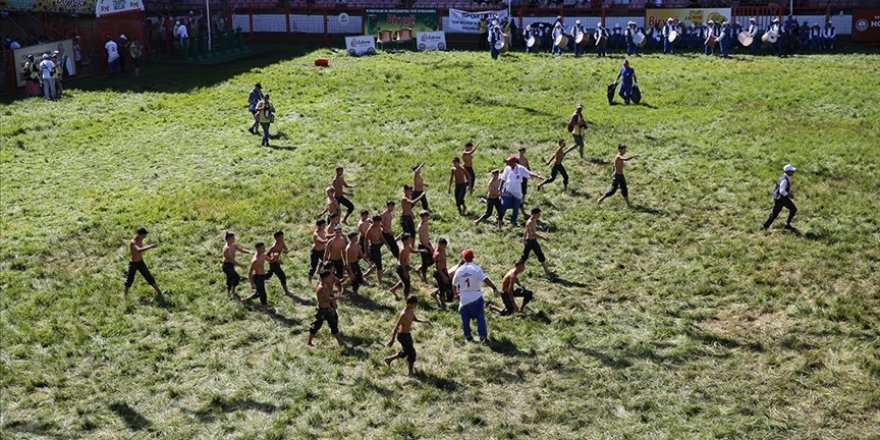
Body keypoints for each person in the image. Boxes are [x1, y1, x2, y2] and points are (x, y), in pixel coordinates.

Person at [452, 249, 499, 344]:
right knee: (480, 318)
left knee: (465, 319)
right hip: (476, 297)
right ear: (472, 257)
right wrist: (494, 287)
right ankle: (483, 337)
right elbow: (485, 279)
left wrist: (456, 293)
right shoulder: (476, 268)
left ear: (463, 258)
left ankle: (468, 336)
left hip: (464, 298)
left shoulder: (459, 270)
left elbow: (454, 284)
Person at [384, 295, 426, 376]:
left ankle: (389, 360)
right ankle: (410, 372)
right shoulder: (403, 314)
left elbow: (414, 319)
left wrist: (422, 321)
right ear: (409, 304)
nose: (415, 306)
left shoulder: (411, 311)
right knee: (412, 353)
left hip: (407, 335)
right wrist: (392, 340)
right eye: (414, 304)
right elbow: (396, 327)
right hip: (402, 336)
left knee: (406, 352)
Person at [499, 155, 541, 227]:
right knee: (504, 205)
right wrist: (500, 189)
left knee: (516, 206)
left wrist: (537, 176)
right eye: (508, 162)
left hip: (517, 192)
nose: (509, 164)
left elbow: (529, 173)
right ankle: (499, 218)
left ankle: (513, 221)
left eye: (510, 162)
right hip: (507, 190)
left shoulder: (520, 168)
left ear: (514, 162)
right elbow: (503, 179)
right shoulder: (507, 169)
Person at [306, 271, 345, 346]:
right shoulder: (322, 288)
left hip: (327, 309)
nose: (331, 278)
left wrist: (330, 307)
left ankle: (340, 342)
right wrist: (338, 297)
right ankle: (309, 342)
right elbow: (327, 299)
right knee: (316, 326)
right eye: (330, 277)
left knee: (333, 324)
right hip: (321, 310)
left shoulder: (326, 285)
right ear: (325, 278)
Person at [123, 227, 163, 296]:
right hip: (133, 264)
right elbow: (138, 250)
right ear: (139, 234)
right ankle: (125, 296)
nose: (145, 236)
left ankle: (159, 292)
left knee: (148, 276)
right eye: (144, 235)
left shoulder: (140, 238)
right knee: (129, 280)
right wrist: (150, 246)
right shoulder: (133, 242)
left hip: (140, 262)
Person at [762, 164, 798, 230]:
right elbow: (782, 191)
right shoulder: (784, 180)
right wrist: (788, 194)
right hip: (782, 198)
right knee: (793, 209)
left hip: (778, 198)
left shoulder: (784, 177)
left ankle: (765, 227)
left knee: (774, 214)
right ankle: (787, 224)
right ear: (787, 171)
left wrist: (789, 191)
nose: (793, 172)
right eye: (791, 171)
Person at [520, 208, 552, 276]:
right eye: (538, 214)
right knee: (524, 257)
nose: (539, 216)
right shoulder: (530, 222)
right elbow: (532, 234)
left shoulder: (534, 220)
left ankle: (547, 271)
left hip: (533, 241)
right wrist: (543, 238)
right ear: (534, 214)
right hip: (529, 242)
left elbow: (526, 230)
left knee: (540, 255)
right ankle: (516, 270)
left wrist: (523, 237)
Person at [242, 242, 272, 314]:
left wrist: (276, 257)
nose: (264, 249)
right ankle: (265, 310)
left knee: (258, 293)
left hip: (262, 276)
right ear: (258, 249)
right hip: (257, 278)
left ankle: (246, 300)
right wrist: (252, 284)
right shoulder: (255, 260)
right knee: (263, 294)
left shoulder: (263, 255)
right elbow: (250, 272)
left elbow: (270, 260)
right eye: (263, 248)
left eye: (264, 247)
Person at [391, 233, 423, 298]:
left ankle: (393, 289)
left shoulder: (407, 246)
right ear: (405, 241)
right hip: (401, 268)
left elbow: (412, 251)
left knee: (404, 280)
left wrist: (420, 251)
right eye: (409, 239)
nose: (411, 240)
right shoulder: (403, 250)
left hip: (405, 266)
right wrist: (405, 272)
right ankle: (406, 298)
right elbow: (401, 262)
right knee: (407, 284)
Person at [222, 232, 250, 299]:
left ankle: (230, 293)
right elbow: (232, 260)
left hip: (231, 265)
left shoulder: (233, 245)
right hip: (226, 266)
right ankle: (232, 292)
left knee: (230, 278)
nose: (234, 239)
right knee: (236, 277)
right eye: (233, 238)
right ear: (228, 239)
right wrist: (242, 266)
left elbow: (241, 250)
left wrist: (249, 252)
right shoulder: (227, 248)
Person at [265, 230, 293, 296]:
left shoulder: (281, 242)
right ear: (276, 238)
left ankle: (257, 278)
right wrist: (278, 261)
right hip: (274, 263)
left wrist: (286, 250)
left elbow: (285, 248)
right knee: (282, 277)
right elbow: (268, 256)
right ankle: (286, 292)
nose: (282, 237)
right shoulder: (274, 247)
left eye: (282, 235)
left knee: (269, 275)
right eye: (281, 236)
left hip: (276, 262)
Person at [430, 238, 452, 308]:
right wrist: (443, 276)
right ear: (440, 244)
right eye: (444, 246)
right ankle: (443, 305)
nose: (445, 247)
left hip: (444, 270)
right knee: (442, 289)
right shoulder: (437, 254)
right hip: (440, 273)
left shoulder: (442, 249)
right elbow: (437, 267)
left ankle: (434, 293)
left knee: (447, 285)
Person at [366, 215, 386, 284]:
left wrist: (387, 245)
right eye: (377, 222)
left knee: (377, 264)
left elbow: (382, 237)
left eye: (379, 222)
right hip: (373, 248)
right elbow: (366, 241)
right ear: (374, 222)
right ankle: (380, 282)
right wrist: (366, 252)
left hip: (378, 247)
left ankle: (366, 275)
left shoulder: (378, 228)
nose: (378, 223)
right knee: (379, 265)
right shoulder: (370, 230)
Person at [308, 219, 329, 283]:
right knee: (313, 268)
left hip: (323, 250)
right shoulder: (316, 234)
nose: (324, 226)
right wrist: (329, 240)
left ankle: (319, 272)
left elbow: (327, 235)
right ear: (319, 226)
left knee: (325, 263)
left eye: (325, 225)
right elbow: (321, 241)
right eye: (323, 225)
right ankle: (309, 280)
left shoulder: (325, 230)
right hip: (315, 252)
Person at [345, 231, 365, 296]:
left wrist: (368, 262)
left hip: (356, 264)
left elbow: (362, 255)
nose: (357, 238)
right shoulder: (348, 248)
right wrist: (350, 272)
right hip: (350, 265)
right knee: (355, 281)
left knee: (360, 279)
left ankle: (345, 285)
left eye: (357, 237)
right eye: (355, 237)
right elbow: (347, 261)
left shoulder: (357, 245)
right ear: (351, 238)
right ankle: (354, 294)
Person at [416, 211, 434, 283]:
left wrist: (430, 244)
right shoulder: (420, 227)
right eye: (426, 216)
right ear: (422, 217)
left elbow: (426, 236)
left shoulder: (426, 224)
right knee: (425, 262)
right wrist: (429, 247)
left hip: (428, 244)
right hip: (423, 246)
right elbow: (422, 240)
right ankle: (424, 277)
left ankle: (419, 269)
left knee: (432, 260)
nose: (428, 218)